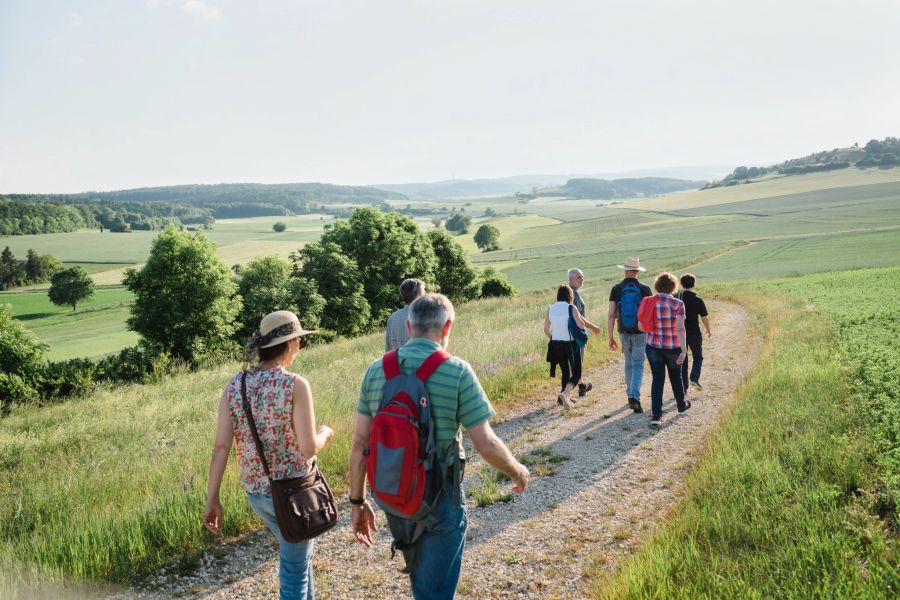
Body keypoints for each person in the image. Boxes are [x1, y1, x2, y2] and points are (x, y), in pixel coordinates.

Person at [348, 293, 530, 600]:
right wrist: (517, 471)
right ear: (447, 327)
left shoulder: (376, 370)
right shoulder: (456, 371)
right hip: (439, 497)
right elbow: (485, 443)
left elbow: (360, 442)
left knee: (422, 579)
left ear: (408, 327)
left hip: (391, 493)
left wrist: (357, 501)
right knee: (434, 591)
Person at [203, 310, 334, 600]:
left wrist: (212, 499)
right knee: (293, 575)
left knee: (297, 557)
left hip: (258, 495)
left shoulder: (235, 385)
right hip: (294, 496)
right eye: (299, 341)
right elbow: (308, 447)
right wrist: (325, 432)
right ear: (289, 344)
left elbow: (221, 446)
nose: (300, 346)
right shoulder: (295, 384)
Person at [645, 273, 691, 427]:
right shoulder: (678, 304)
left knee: (657, 379)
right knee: (675, 377)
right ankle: (681, 405)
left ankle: (656, 415)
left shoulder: (649, 302)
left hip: (653, 346)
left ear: (657, 285)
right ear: (673, 287)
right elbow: (681, 329)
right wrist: (684, 350)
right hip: (672, 347)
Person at [607, 257, 652, 413]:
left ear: (625, 270)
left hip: (623, 330)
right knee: (639, 364)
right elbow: (649, 314)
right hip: (640, 332)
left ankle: (629, 395)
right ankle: (635, 397)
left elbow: (611, 315)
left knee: (628, 363)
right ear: (638, 271)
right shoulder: (645, 289)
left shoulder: (616, 289)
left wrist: (610, 336)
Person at [545, 284, 592, 407]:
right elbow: (581, 325)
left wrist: (554, 337)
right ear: (570, 295)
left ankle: (563, 399)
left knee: (566, 371)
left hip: (556, 344)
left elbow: (546, 329)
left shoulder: (551, 308)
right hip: (571, 344)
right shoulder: (571, 307)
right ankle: (565, 394)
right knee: (577, 373)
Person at [567, 268, 602, 396]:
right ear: (570, 279)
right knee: (576, 362)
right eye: (578, 277)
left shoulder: (568, 293)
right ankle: (567, 393)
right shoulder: (574, 294)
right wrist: (592, 327)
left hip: (569, 333)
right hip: (577, 333)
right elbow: (578, 317)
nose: (582, 279)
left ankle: (581, 385)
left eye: (582, 277)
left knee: (574, 362)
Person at [677, 273, 711, 392]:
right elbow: (704, 317)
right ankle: (694, 378)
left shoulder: (677, 297)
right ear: (694, 284)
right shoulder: (697, 299)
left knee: (683, 358)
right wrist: (708, 329)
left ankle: (684, 386)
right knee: (698, 356)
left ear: (681, 284)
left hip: (679, 333)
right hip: (694, 332)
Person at [385, 278, 426, 351]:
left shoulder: (392, 318)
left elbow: (387, 350)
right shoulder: (424, 317)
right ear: (418, 295)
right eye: (424, 292)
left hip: (395, 362)